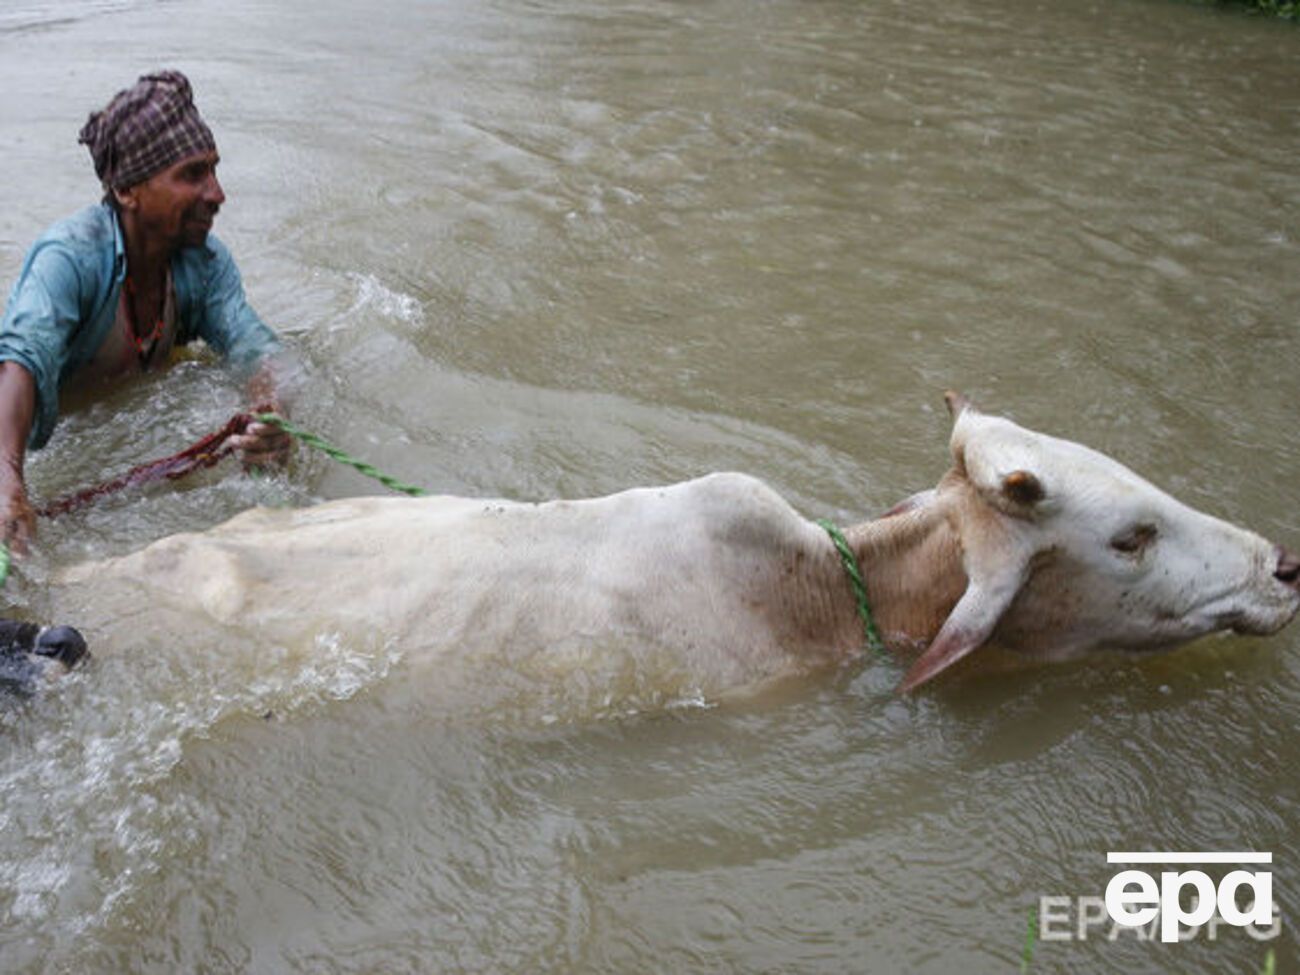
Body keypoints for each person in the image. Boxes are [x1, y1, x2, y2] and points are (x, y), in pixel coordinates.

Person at [0, 69, 294, 554]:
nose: (218, 193)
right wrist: (9, 483)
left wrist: (272, 413)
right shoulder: (69, 258)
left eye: (215, 170)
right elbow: (20, 361)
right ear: (127, 191)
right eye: (192, 175)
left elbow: (255, 346)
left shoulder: (205, 265)